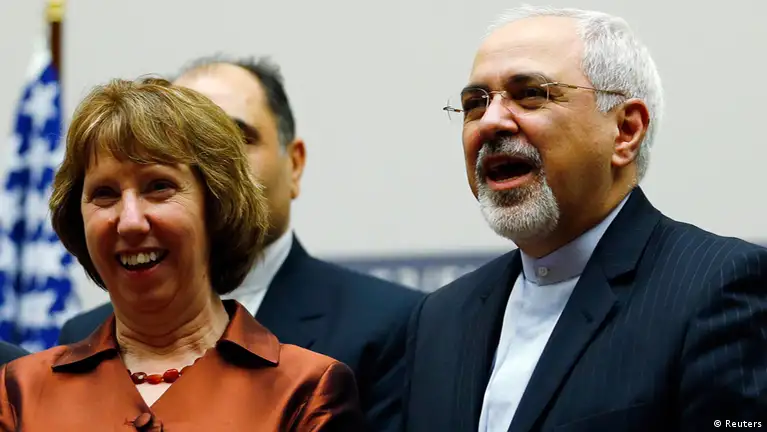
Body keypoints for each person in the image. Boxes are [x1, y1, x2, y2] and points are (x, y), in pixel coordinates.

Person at [404, 6, 767, 432]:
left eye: (530, 94)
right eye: (474, 104)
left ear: (626, 131)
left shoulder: (715, 288)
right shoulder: (439, 318)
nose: (491, 122)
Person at [58, 56, 423, 432]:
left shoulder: (389, 325)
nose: (217, 162)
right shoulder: (80, 341)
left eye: (237, 138)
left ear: (294, 163)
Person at [0, 77, 364, 431]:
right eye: (104, 194)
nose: (130, 222)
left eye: (158, 187)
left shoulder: (304, 391)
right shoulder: (21, 391)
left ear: (216, 207)